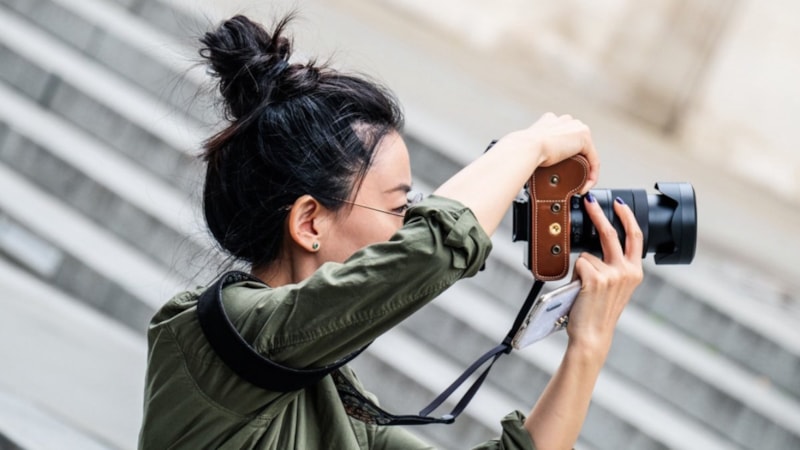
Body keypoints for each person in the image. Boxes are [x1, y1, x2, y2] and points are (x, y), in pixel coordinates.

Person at [139, 13, 643, 450]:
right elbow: (428, 253)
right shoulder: (219, 333)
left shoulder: (334, 402)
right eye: (401, 206)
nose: (411, 224)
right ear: (310, 221)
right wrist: (528, 146)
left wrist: (588, 344)